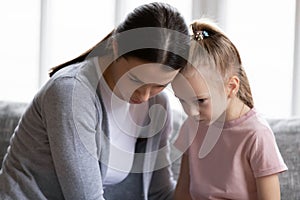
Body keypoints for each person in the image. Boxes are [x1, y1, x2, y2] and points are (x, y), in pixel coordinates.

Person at [0, 2, 190, 200]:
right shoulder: (71, 93)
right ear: (115, 47)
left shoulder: (157, 105)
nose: (143, 96)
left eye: (159, 85)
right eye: (135, 79)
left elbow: (158, 193)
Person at [172, 18, 287, 200]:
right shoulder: (191, 126)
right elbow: (182, 192)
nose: (191, 112)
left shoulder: (257, 135)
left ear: (231, 87)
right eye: (182, 101)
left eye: (201, 100)